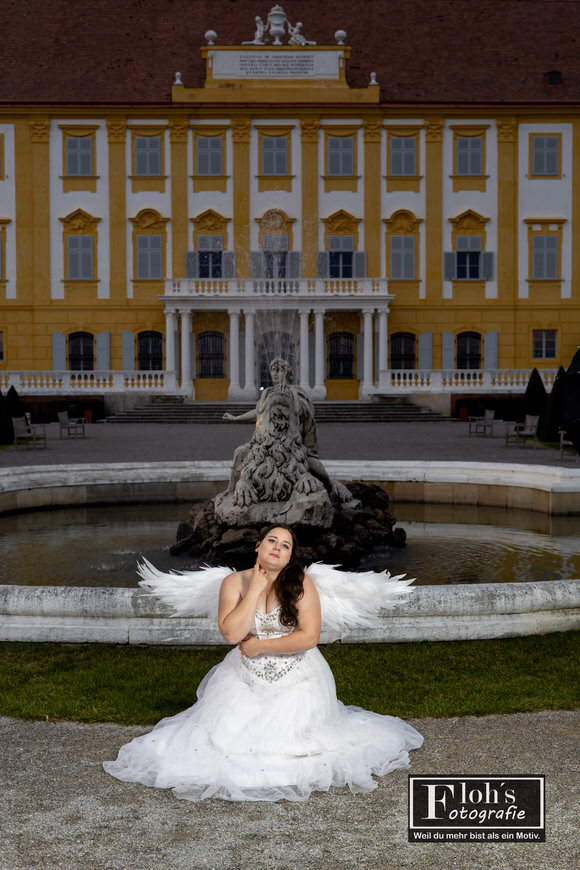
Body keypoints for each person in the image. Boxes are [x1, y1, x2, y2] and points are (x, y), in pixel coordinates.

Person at [103, 525, 423, 802]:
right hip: (244, 675)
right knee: (223, 738)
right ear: (258, 546)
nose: (277, 548)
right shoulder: (234, 583)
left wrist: (260, 645)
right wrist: (255, 589)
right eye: (272, 541)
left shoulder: (301, 583)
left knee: (292, 739)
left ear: (290, 556)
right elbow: (232, 633)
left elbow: (309, 637)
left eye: (285, 546)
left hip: (299, 674)